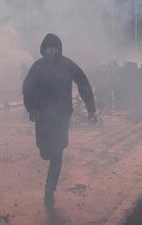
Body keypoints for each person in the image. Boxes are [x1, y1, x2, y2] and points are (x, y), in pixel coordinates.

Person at [23, 34, 97, 208]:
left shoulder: (67, 65)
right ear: (43, 49)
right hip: (42, 116)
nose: (51, 51)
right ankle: (48, 156)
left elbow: (83, 83)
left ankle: (50, 189)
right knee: (45, 152)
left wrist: (91, 109)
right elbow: (27, 88)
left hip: (62, 115)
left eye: (54, 47)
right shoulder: (37, 67)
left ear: (58, 49)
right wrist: (31, 108)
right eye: (48, 47)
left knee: (57, 151)